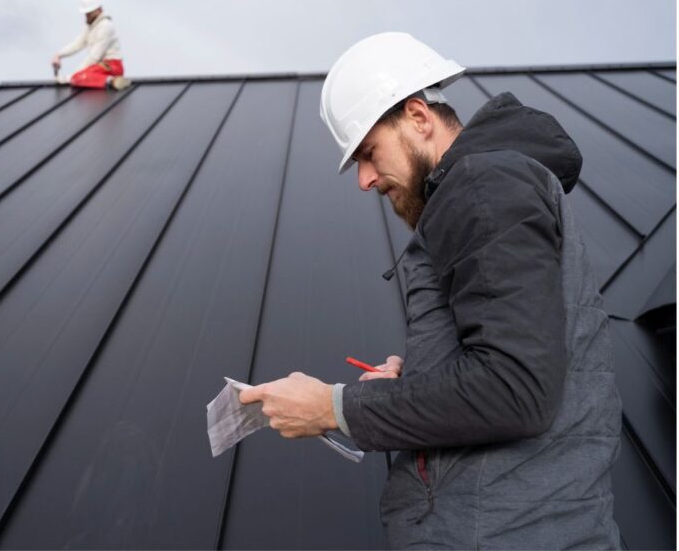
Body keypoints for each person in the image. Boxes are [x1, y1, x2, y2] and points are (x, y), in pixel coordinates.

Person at [238, 32, 621, 549]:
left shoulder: (485, 186)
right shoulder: (483, 191)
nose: (365, 180)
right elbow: (509, 365)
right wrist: (417, 377)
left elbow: (516, 390)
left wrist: (334, 408)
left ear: (419, 118)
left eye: (370, 153)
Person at [51, 0, 130, 91]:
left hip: (112, 66)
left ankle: (113, 81)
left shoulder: (106, 26)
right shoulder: (91, 25)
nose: (86, 15)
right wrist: (58, 55)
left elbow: (94, 57)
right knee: (79, 77)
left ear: (98, 10)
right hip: (100, 66)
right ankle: (110, 81)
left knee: (77, 78)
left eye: (89, 13)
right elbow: (78, 44)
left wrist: (70, 77)